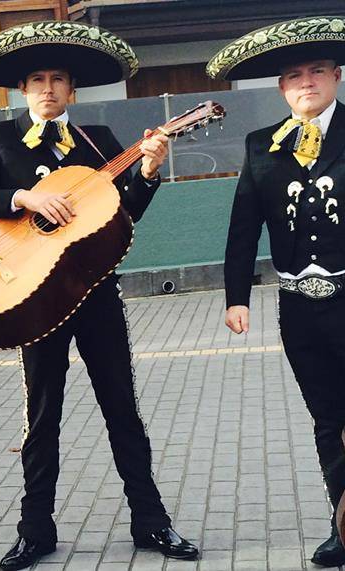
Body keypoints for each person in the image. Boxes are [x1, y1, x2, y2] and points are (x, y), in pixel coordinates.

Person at [0, 20, 199, 569]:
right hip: (36, 302)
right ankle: (35, 529)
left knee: (122, 410)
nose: (47, 88)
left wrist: (151, 171)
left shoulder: (101, 143)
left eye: (58, 79)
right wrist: (26, 198)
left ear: (72, 90)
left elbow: (125, 214)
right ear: (24, 90)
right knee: (43, 418)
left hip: (95, 293)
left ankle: (151, 522)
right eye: (37, 79)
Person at [209, 15, 345, 567]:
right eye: (294, 74)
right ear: (281, 87)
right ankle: (341, 527)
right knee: (328, 419)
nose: (306, 81)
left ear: (336, 76)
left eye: (317, 70)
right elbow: (245, 226)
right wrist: (236, 297)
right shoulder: (261, 144)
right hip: (299, 308)